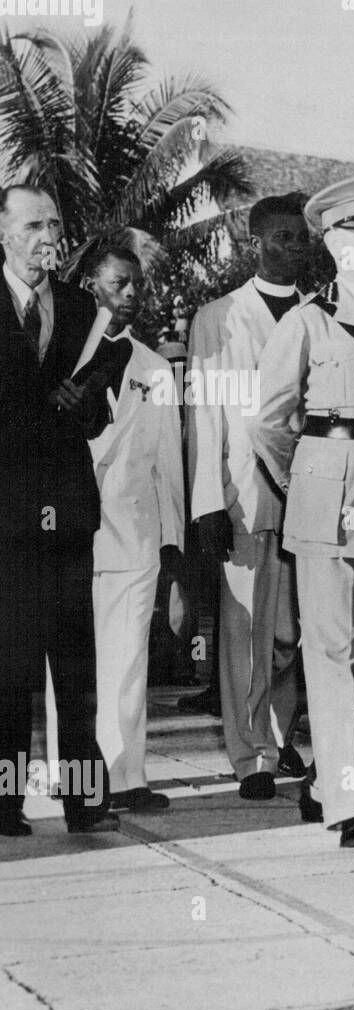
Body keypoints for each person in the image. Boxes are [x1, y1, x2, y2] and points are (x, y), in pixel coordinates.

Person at [250, 175, 354, 851]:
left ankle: (326, 783)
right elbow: (267, 422)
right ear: (334, 243)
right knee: (333, 650)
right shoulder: (306, 322)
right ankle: (350, 806)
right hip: (329, 504)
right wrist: (308, 482)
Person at [0, 185, 128, 837]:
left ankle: (84, 798)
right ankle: (3, 801)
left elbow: (98, 414)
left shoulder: (81, 307)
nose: (46, 237)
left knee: (75, 665)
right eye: (31, 225)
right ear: (2, 232)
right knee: (8, 666)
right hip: (6, 515)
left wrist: (86, 404)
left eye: (53, 224)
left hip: (67, 510)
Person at [44, 246, 185, 813]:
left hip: (134, 535)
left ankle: (127, 776)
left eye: (137, 285)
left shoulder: (156, 369)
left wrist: (173, 547)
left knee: (128, 661)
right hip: (67, 532)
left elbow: (168, 464)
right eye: (118, 283)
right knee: (71, 668)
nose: (131, 294)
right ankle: (74, 776)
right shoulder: (54, 359)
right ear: (90, 287)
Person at [189, 194, 310, 801]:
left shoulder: (320, 313)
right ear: (253, 242)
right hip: (242, 492)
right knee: (243, 628)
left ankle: (279, 733)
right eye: (281, 237)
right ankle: (251, 754)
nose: (293, 247)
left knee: (289, 631)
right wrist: (206, 501)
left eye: (301, 237)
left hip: (309, 493)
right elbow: (203, 412)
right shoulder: (219, 317)